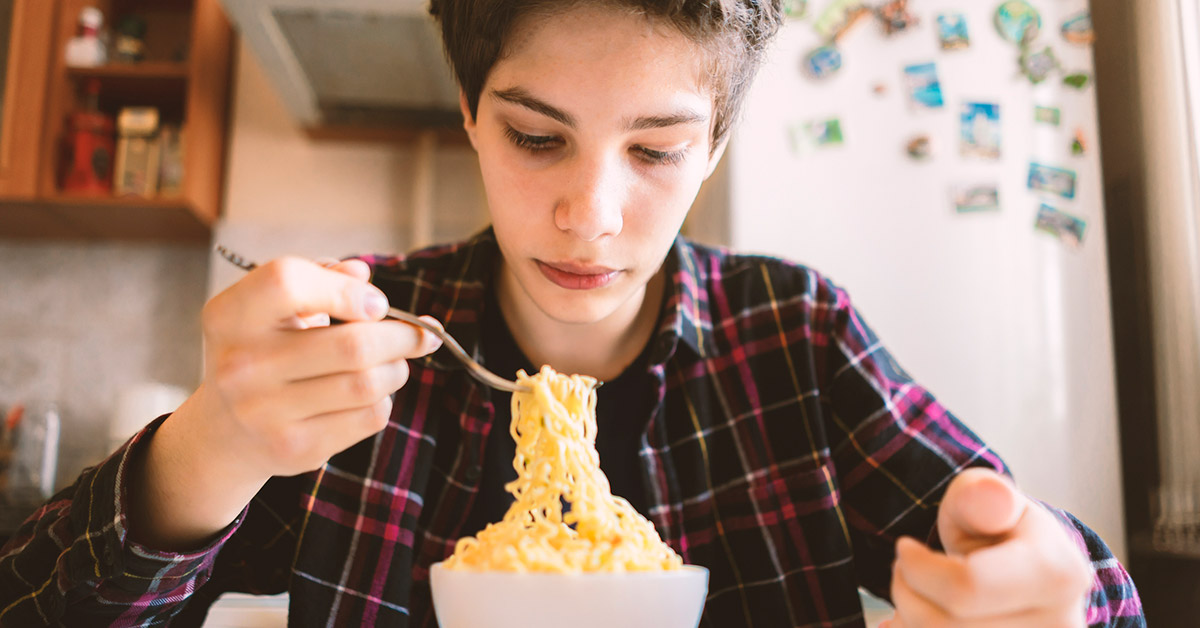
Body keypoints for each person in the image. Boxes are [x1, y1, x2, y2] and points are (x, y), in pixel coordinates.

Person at [0, 1, 1143, 626]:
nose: (588, 215)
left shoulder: (795, 336)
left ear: (718, 152)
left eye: (654, 149)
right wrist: (205, 448)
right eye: (537, 136)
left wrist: (1048, 596)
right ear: (468, 113)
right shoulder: (360, 339)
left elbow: (1078, 584)